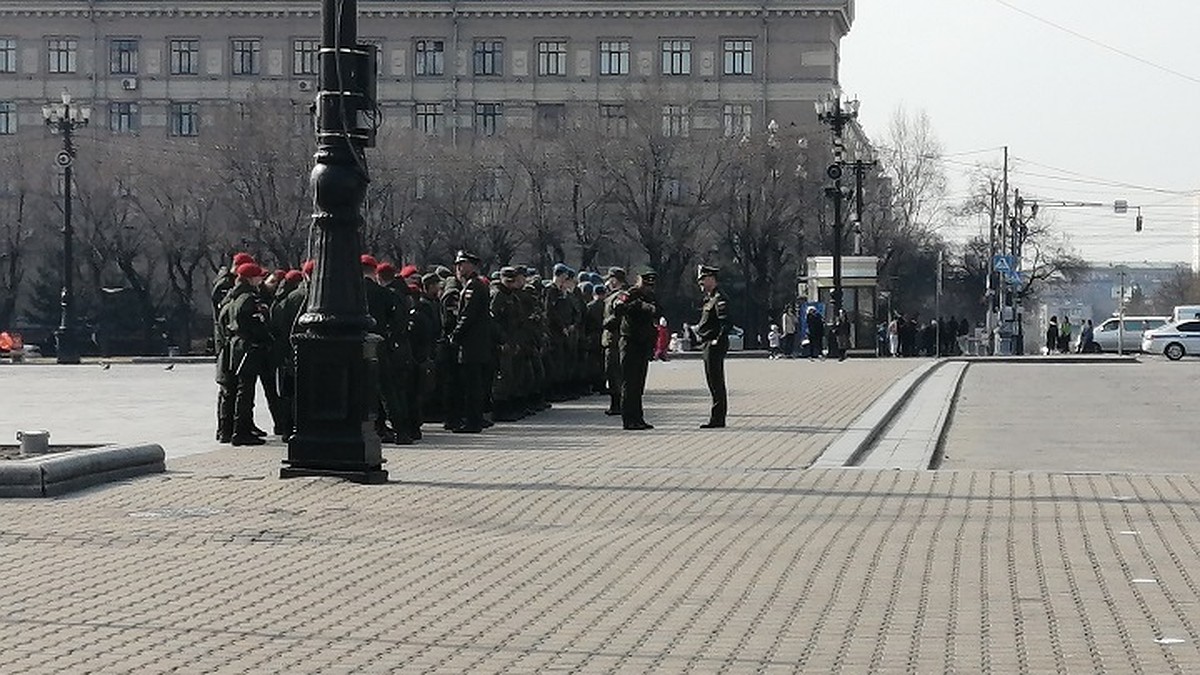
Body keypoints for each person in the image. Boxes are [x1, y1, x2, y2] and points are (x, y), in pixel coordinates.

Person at [219, 262, 270, 446]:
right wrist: (265, 338)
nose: (261, 280)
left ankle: (234, 429)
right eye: (258, 277)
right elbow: (255, 324)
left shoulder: (235, 296)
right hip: (248, 346)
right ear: (250, 278)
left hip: (237, 345)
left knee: (240, 389)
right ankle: (241, 432)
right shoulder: (249, 298)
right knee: (246, 391)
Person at [449, 250, 492, 433]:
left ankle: (473, 421)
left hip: (472, 344)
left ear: (471, 266)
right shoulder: (472, 285)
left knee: (472, 385)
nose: (458, 268)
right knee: (473, 384)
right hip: (476, 344)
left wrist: (455, 334)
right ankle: (474, 418)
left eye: (462, 265)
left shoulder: (473, 287)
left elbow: (468, 315)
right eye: (457, 265)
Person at [613, 267, 658, 431]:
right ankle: (628, 419)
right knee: (629, 383)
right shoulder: (630, 293)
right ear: (639, 281)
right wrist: (636, 305)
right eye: (645, 284)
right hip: (630, 342)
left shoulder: (650, 296)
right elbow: (618, 309)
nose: (648, 288)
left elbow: (657, 311)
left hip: (643, 344)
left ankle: (638, 418)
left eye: (651, 285)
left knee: (639, 384)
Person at [695, 265, 731, 428]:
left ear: (711, 279)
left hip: (714, 344)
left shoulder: (719, 298)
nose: (701, 283)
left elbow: (725, 322)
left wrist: (717, 339)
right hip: (707, 342)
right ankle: (717, 417)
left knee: (716, 380)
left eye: (703, 279)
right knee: (712, 380)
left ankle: (718, 418)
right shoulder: (709, 298)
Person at [601, 267, 627, 417]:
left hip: (615, 339)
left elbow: (619, 314)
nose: (608, 282)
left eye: (610, 279)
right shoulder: (614, 295)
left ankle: (617, 404)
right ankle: (616, 403)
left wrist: (606, 322)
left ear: (615, 279)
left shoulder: (620, 296)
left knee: (614, 373)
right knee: (612, 373)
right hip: (611, 340)